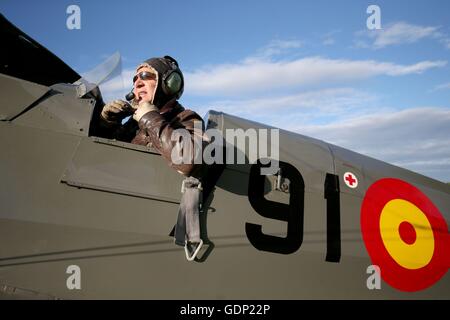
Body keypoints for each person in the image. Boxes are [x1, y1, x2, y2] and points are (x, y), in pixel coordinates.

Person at [96, 55, 204, 178]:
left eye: (145, 76)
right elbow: (100, 156)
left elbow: (189, 160)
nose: (137, 83)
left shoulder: (187, 118)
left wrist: (149, 118)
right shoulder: (134, 123)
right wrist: (107, 123)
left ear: (169, 84)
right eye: (135, 79)